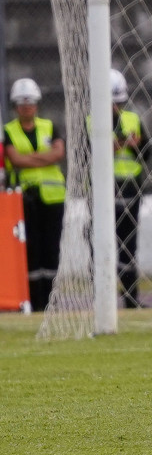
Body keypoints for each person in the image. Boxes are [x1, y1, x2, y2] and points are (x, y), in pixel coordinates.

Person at [3, 78, 66, 311]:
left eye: (30, 103)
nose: (26, 107)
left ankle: (52, 300)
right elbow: (15, 160)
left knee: (51, 249)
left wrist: (28, 158)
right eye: (22, 103)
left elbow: (58, 153)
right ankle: (35, 301)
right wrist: (43, 156)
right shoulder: (8, 131)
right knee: (31, 250)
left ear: (37, 104)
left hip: (53, 197)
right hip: (24, 200)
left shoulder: (49, 126)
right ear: (15, 106)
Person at [110, 69, 148, 308]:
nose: (115, 108)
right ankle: (100, 297)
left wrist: (134, 145)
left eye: (119, 103)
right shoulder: (90, 120)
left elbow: (147, 153)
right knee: (101, 246)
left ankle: (131, 298)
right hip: (102, 193)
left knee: (129, 246)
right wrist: (108, 147)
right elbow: (83, 155)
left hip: (130, 190)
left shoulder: (133, 119)